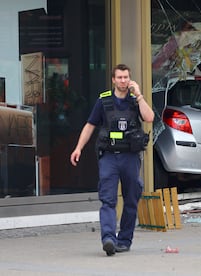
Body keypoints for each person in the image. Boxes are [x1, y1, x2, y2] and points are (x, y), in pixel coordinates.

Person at [70, 64, 154, 256]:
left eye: (126, 77)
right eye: (120, 77)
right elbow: (90, 125)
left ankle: (124, 240)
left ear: (129, 79)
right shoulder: (104, 101)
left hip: (130, 157)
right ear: (113, 80)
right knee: (108, 199)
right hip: (109, 156)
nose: (123, 81)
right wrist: (78, 148)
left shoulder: (135, 101)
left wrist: (139, 94)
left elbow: (149, 118)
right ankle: (108, 238)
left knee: (131, 198)